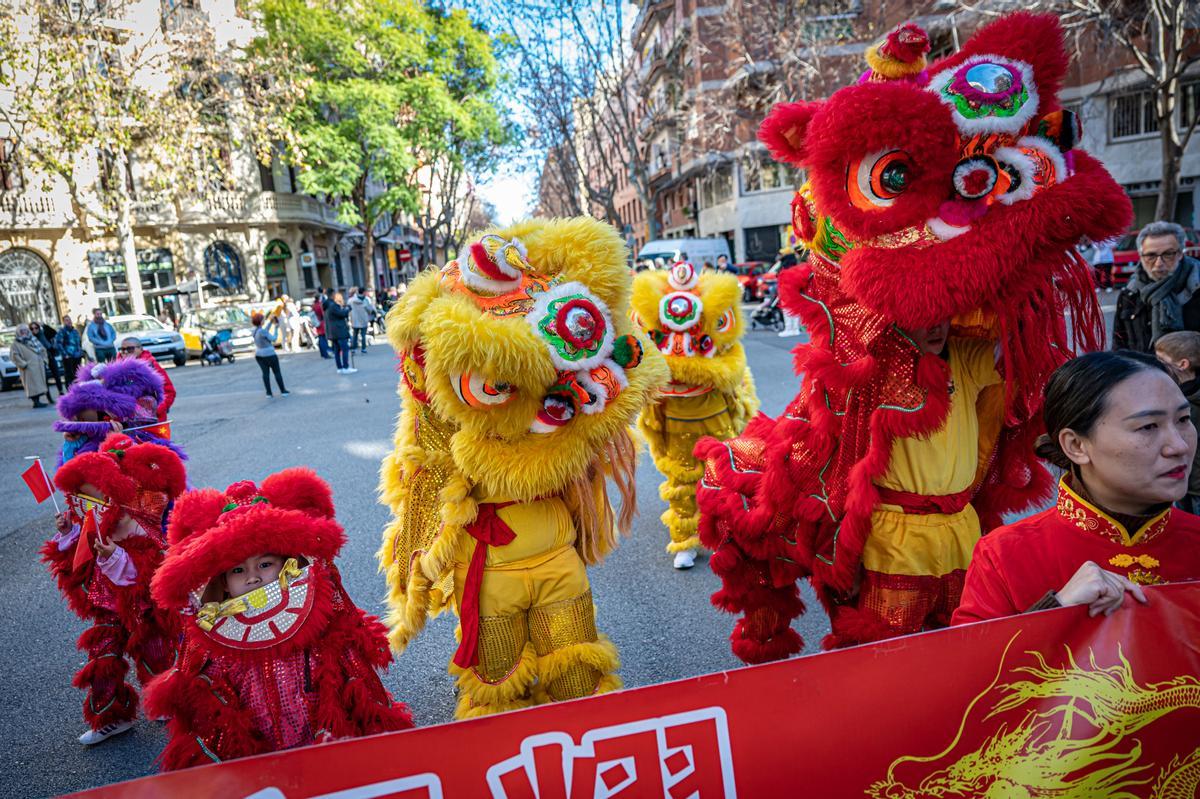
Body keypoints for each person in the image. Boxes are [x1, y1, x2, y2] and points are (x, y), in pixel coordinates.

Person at [380, 221, 665, 718]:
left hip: (556, 559)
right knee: (496, 684)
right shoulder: (446, 437)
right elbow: (426, 471)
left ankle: (587, 742)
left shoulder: (576, 413)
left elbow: (632, 379)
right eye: (494, 384)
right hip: (489, 569)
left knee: (576, 670)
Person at [144, 469, 413, 769]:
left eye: (265, 564)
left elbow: (349, 667)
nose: (253, 578)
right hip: (260, 758)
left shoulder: (317, 614)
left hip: (323, 744)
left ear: (288, 563)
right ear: (221, 583)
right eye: (238, 571)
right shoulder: (214, 637)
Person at [953, 351, 1200, 624]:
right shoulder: (1005, 556)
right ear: (1076, 446)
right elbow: (972, 665)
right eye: (1148, 426)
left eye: (1183, 419)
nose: (1179, 446)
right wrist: (1054, 609)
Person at [45, 434, 187, 745]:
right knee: (103, 656)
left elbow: (149, 566)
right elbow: (80, 557)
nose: (84, 502)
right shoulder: (93, 514)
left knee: (155, 652)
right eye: (80, 495)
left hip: (144, 604)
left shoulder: (142, 513)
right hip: (108, 602)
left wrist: (114, 556)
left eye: (90, 493)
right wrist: (69, 533)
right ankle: (111, 716)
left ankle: (165, 700)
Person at [632, 261, 759, 569]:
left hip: (715, 417)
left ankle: (725, 534)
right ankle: (685, 540)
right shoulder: (653, 343)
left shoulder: (723, 344)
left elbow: (732, 371)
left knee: (722, 476)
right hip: (676, 419)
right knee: (682, 479)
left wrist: (695, 368)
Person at [1113, 221, 1200, 352]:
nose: (1159, 263)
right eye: (1151, 255)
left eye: (1168, 254)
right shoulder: (1130, 293)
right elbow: (1118, 348)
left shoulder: (1196, 288)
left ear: (1180, 254)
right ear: (1141, 256)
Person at [1153, 331, 1200, 514]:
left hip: (1195, 484)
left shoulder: (1189, 403)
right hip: (1183, 479)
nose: (1155, 364)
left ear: (1182, 364)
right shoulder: (1174, 394)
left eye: (1161, 360)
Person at [117, 335, 175, 420]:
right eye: (122, 349)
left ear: (140, 349)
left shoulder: (151, 366)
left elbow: (169, 391)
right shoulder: (116, 369)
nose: (125, 352)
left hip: (152, 419)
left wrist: (156, 410)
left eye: (130, 349)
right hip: (127, 419)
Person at [11, 323, 52, 407]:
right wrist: (23, 364)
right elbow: (14, 356)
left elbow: (43, 350)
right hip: (28, 368)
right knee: (32, 386)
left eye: (25, 330)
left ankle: (38, 401)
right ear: (18, 332)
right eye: (22, 331)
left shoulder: (33, 339)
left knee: (39, 384)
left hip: (38, 366)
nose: (24, 332)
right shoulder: (16, 343)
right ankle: (36, 402)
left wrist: (44, 360)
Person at [250, 312, 288, 397]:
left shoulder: (255, 331)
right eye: (263, 319)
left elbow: (264, 331)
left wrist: (270, 322)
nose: (264, 320)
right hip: (269, 354)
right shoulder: (262, 331)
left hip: (259, 355)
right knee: (277, 372)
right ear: (260, 321)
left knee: (265, 374)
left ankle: (269, 393)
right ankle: (283, 391)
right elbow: (273, 339)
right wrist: (276, 329)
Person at [30, 320, 64, 395]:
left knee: (57, 375)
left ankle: (61, 391)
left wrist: (44, 325)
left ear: (39, 328)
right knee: (44, 378)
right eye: (32, 329)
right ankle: (48, 396)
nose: (34, 330)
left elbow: (54, 333)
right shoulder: (31, 338)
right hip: (40, 359)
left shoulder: (44, 333)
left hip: (50, 356)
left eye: (36, 328)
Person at [324, 290, 354, 374]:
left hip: (333, 331)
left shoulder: (326, 305)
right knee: (345, 349)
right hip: (339, 331)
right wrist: (347, 309)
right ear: (333, 295)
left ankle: (340, 368)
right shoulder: (332, 305)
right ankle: (345, 367)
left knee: (337, 350)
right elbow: (342, 314)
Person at [55, 314, 85, 386]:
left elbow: (79, 342)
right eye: (66, 320)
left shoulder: (75, 331)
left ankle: (78, 388)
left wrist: (81, 352)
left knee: (77, 373)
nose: (69, 322)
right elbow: (58, 344)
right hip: (68, 356)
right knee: (69, 374)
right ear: (64, 322)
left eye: (69, 320)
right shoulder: (62, 331)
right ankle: (69, 389)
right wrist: (65, 354)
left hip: (77, 355)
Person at [348, 286, 375, 354]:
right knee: (363, 335)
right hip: (363, 320)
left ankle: (353, 349)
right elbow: (370, 310)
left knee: (355, 335)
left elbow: (348, 307)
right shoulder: (366, 300)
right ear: (363, 292)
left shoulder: (351, 300)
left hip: (355, 320)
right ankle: (363, 348)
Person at [312, 287, 331, 359]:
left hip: (317, 322)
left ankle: (322, 353)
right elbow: (323, 313)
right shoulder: (320, 305)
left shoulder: (314, 305)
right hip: (322, 322)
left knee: (320, 338)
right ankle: (325, 353)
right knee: (323, 338)